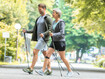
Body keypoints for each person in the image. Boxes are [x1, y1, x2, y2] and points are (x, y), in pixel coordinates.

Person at [36, 8, 73, 77]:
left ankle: (70, 71)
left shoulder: (61, 22)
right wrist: (44, 34)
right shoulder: (53, 22)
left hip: (60, 42)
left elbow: (62, 33)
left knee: (63, 58)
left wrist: (54, 34)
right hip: (54, 42)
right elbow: (50, 31)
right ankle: (42, 70)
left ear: (57, 14)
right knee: (47, 55)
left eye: (54, 13)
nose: (52, 14)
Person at [22, 3, 53, 75]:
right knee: (46, 54)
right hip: (39, 38)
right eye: (38, 9)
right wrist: (26, 31)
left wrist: (44, 34)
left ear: (44, 9)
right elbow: (35, 30)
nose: (39, 10)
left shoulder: (48, 18)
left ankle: (31, 68)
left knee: (35, 51)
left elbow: (50, 29)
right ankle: (49, 69)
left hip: (44, 38)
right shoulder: (38, 19)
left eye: (40, 9)